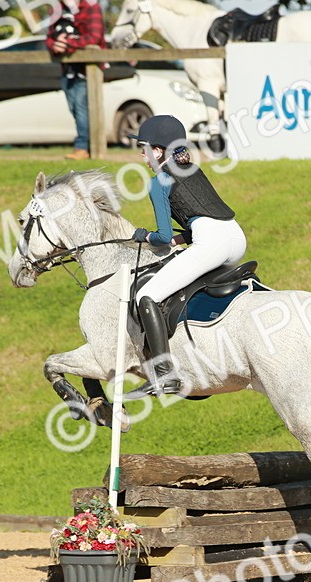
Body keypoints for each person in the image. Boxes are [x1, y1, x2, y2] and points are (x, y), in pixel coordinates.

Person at [125, 115, 247, 399]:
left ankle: (164, 375)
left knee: (147, 295)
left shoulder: (159, 181)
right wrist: (179, 240)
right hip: (236, 238)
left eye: (144, 148)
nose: (142, 155)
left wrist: (144, 236)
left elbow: (163, 236)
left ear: (158, 151)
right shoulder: (193, 169)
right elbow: (198, 222)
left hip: (212, 243)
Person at [46, 0, 106, 161]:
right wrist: (54, 45)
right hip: (67, 68)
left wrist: (67, 43)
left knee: (81, 106)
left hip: (88, 70)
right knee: (74, 107)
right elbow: (50, 37)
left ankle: (83, 147)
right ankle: (88, 146)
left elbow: (94, 38)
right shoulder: (57, 9)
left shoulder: (91, 7)